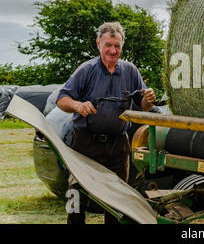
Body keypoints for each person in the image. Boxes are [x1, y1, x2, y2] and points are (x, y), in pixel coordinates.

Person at [56, 22, 156, 224]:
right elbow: (62, 99)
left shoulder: (130, 71)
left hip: (118, 145)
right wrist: (77, 106)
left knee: (117, 200)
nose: (113, 50)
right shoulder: (86, 70)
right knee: (76, 196)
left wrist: (148, 98)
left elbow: (143, 106)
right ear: (98, 44)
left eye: (117, 46)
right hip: (85, 144)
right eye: (108, 45)